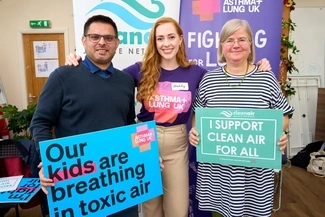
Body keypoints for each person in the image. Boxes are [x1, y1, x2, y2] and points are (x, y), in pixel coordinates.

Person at [64, 17, 273, 217]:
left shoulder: (196, 72)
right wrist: (80, 62)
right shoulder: (140, 69)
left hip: (177, 142)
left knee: (178, 209)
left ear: (180, 39)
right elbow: (106, 77)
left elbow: (226, 79)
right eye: (160, 38)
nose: (166, 43)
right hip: (144, 140)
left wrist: (257, 67)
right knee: (151, 207)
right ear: (154, 42)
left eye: (171, 37)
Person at [30, 15, 138, 217]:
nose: (102, 43)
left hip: (119, 180)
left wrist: (143, 156)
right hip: (77, 181)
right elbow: (40, 122)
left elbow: (129, 124)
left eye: (108, 38)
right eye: (95, 36)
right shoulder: (62, 76)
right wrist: (49, 161)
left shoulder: (125, 81)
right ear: (84, 40)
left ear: (117, 43)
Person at [189, 19, 294, 217]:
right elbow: (198, 116)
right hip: (218, 174)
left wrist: (279, 133)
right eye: (229, 40)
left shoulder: (266, 78)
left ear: (250, 45)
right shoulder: (209, 80)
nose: (235, 44)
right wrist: (195, 132)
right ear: (221, 46)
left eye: (242, 39)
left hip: (255, 176)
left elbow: (283, 115)